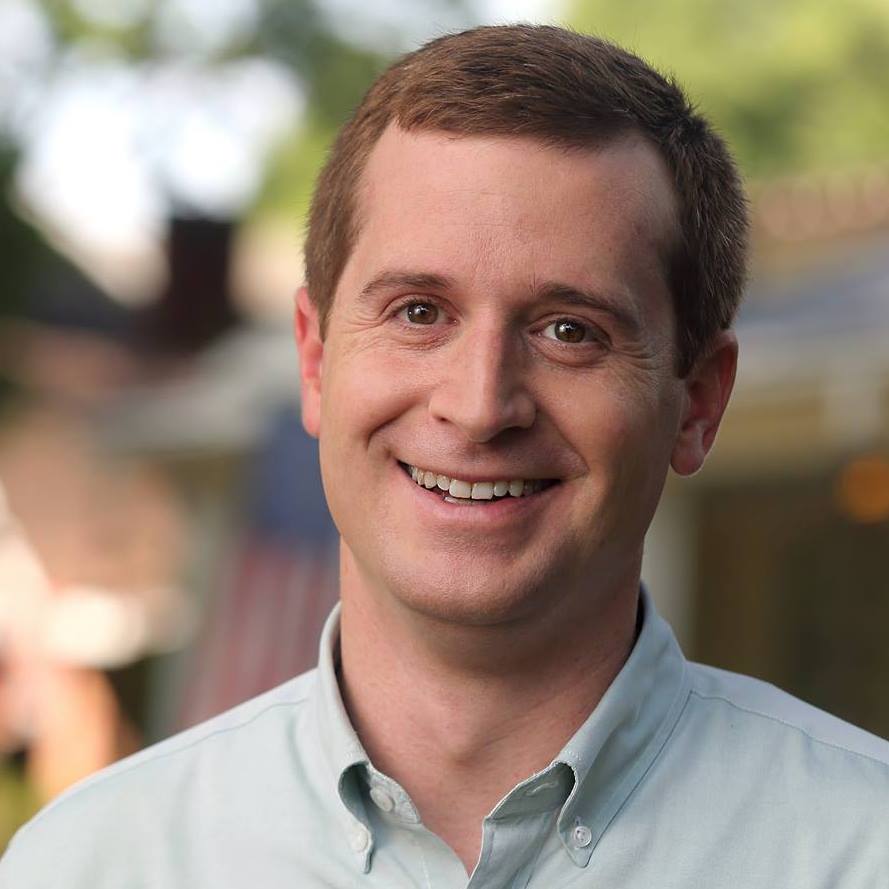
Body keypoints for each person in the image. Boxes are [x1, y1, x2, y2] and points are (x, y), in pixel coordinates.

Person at [2, 23, 887, 889]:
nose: (476, 407)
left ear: (698, 401)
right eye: (418, 312)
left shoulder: (861, 845)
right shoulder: (92, 863)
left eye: (568, 330)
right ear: (314, 360)